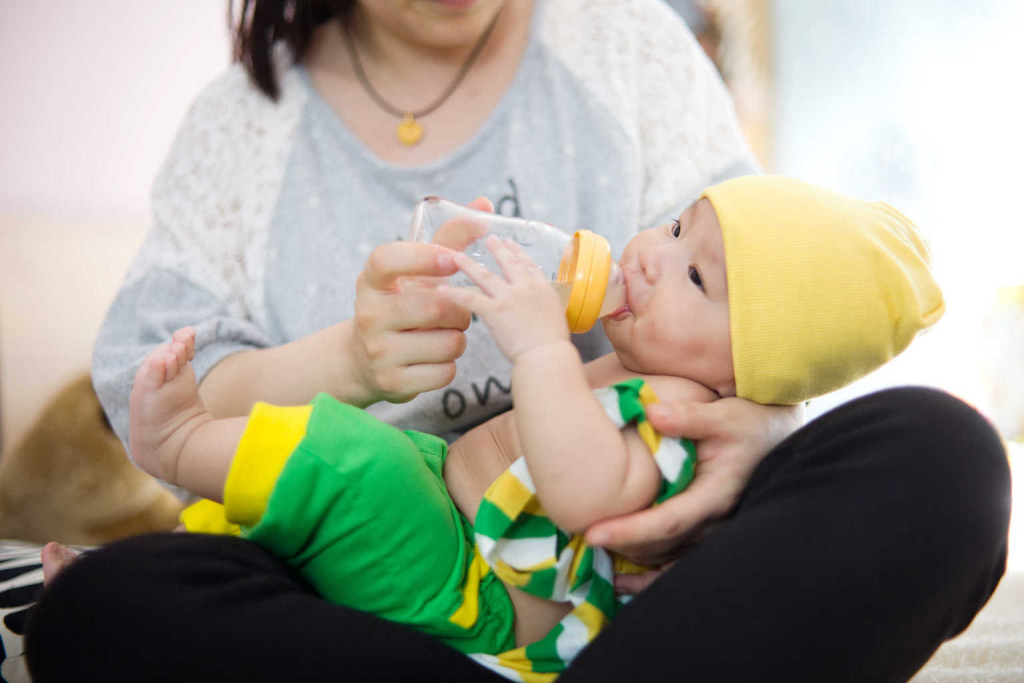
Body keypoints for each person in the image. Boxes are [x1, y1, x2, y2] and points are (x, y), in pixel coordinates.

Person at [21, 2, 1010, 682]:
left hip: (607, 586)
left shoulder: (626, 45)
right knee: (106, 608)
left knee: (947, 455)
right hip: (354, 579)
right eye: (664, 233)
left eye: (683, 251)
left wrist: (758, 424)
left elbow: (773, 300)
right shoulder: (242, 128)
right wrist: (351, 363)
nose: (650, 254)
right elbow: (156, 389)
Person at [109, 176, 948, 681]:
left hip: (478, 595)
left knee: (343, 460)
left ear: (751, 375)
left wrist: (545, 346)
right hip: (440, 502)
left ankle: (176, 440)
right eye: (677, 224)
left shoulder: (677, 419)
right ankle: (127, 572)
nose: (652, 253)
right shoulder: (651, 361)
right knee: (253, 534)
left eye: (696, 274)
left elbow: (586, 495)